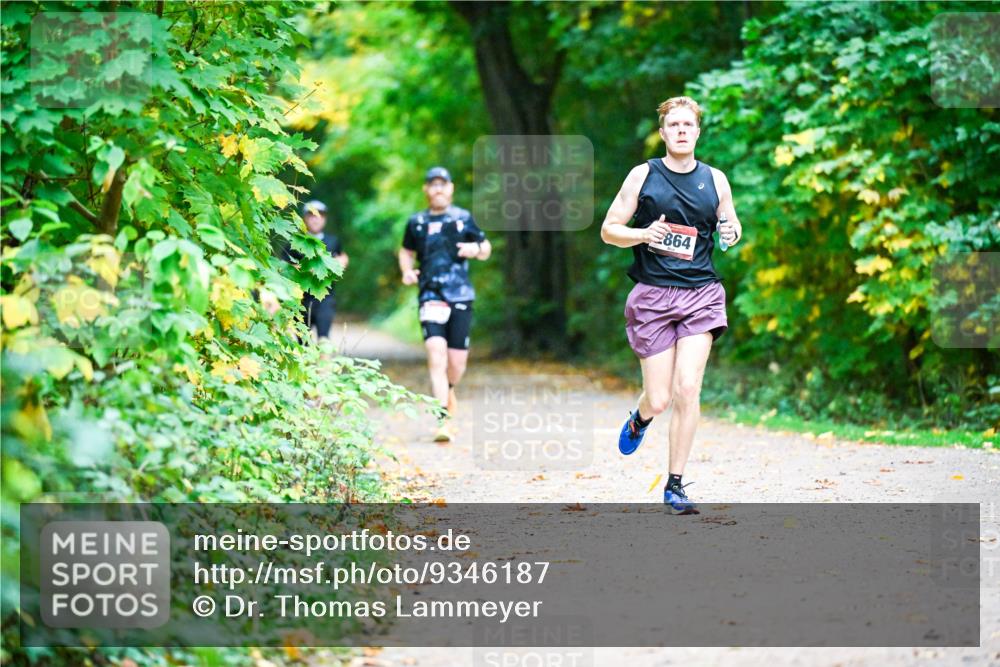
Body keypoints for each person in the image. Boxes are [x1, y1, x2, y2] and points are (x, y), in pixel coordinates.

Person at [600, 96, 743, 514]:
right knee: (659, 398)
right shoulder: (643, 175)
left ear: (698, 131)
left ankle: (675, 484)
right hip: (653, 296)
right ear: (663, 132)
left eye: (688, 124)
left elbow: (729, 221)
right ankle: (640, 419)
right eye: (674, 125)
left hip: (701, 294)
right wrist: (644, 235)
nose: (682, 130)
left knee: (687, 388)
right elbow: (610, 230)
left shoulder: (715, 179)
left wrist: (732, 232)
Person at [399, 167, 491, 443]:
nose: (438, 189)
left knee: (456, 363)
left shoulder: (463, 218)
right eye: (433, 184)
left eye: (443, 184)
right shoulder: (416, 222)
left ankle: (449, 390)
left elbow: (486, 247)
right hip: (430, 293)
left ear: (451, 188)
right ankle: (443, 419)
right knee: (435, 354)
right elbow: (406, 250)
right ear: (426, 189)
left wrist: (475, 250)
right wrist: (406, 270)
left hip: (460, 294)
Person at [283, 200, 349, 340]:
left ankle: (324, 362)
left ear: (324, 219)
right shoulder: (295, 242)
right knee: (303, 341)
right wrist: (307, 270)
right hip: (300, 300)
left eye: (320, 215)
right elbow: (284, 267)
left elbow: (342, 258)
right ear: (304, 218)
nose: (316, 219)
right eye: (311, 215)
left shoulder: (333, 241)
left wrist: (342, 262)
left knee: (324, 338)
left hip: (325, 298)